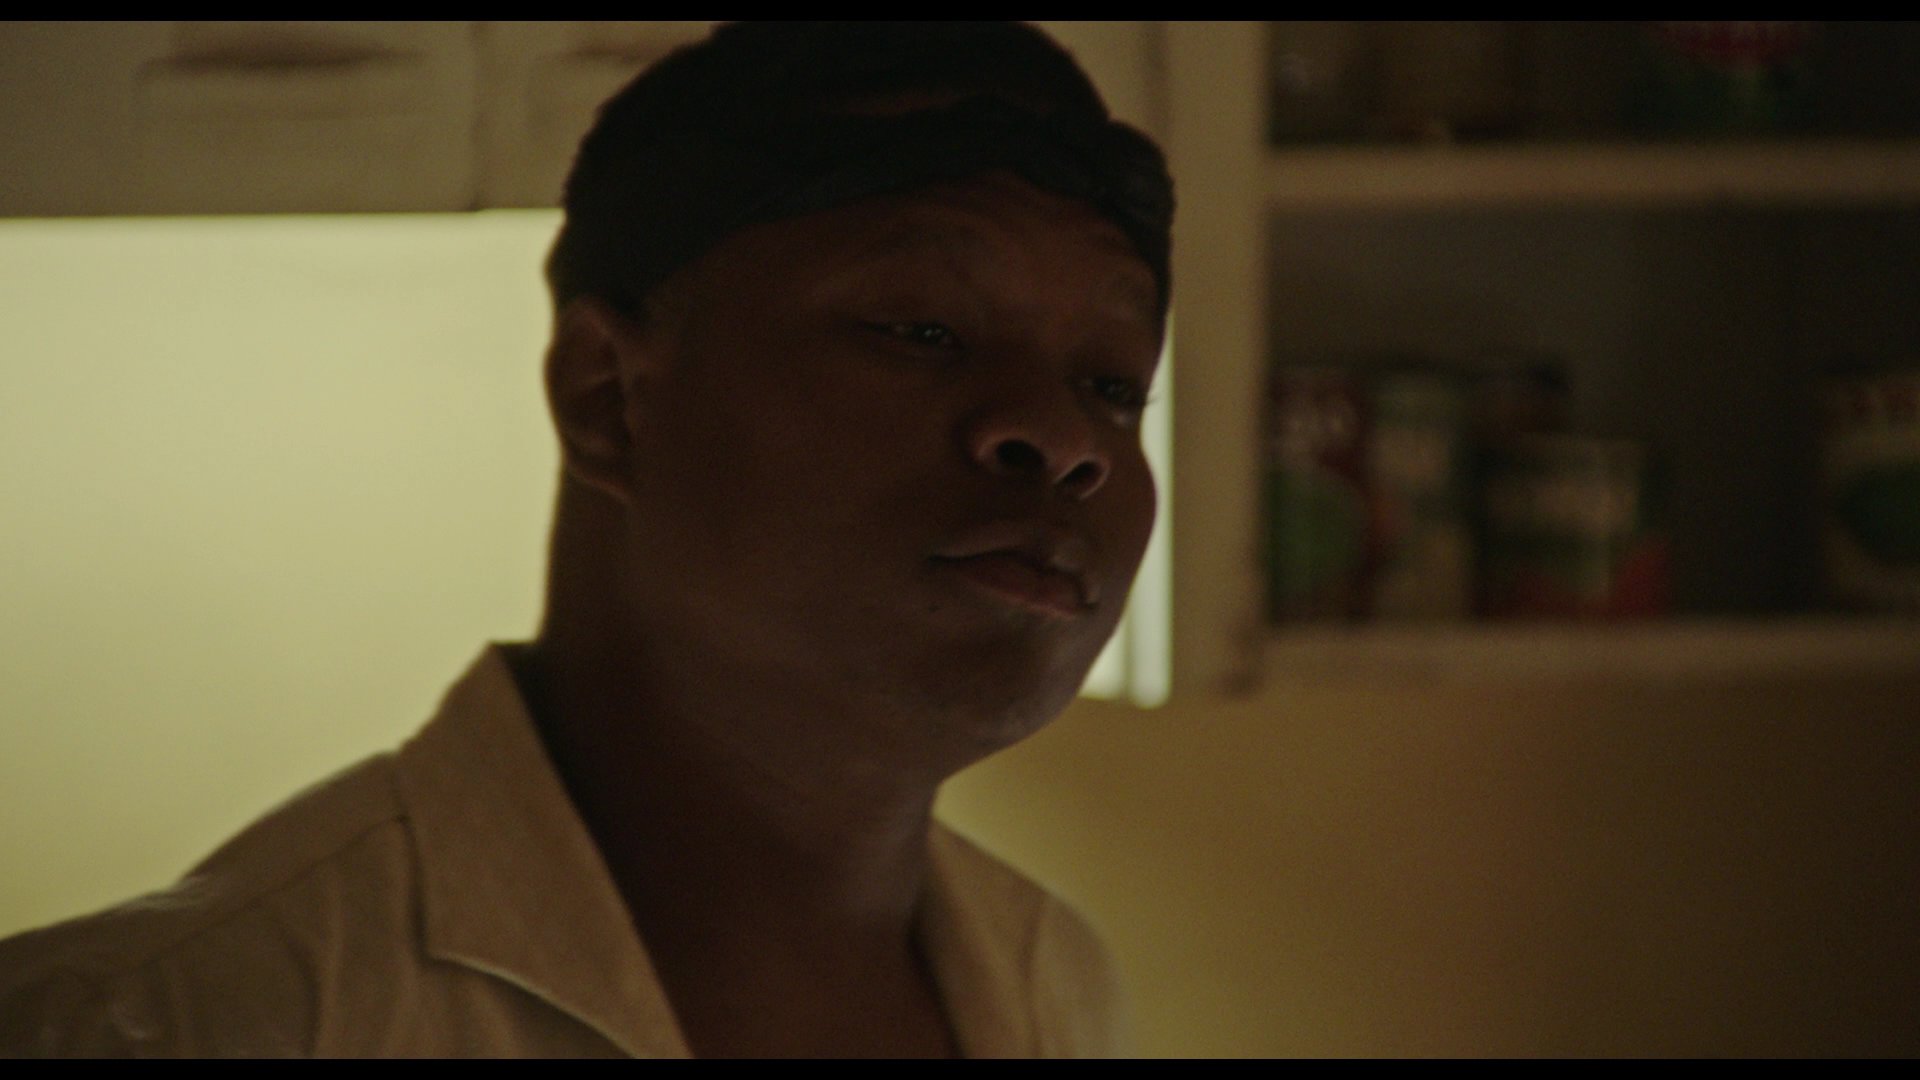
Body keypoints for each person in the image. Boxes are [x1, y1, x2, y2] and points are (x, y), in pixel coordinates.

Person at [0, 21, 1173, 1058]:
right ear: (609, 397)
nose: (1066, 436)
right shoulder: (173, 1022)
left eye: (1114, 385)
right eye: (920, 330)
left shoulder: (1055, 985)